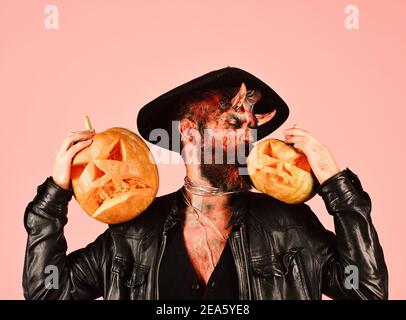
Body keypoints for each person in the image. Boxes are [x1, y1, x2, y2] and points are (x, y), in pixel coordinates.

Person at [23, 67, 388, 300]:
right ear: (188, 133)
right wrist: (56, 194)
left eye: (251, 128)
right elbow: (46, 292)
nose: (248, 140)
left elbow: (367, 291)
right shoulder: (133, 235)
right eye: (233, 124)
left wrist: (337, 187)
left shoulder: (287, 224)